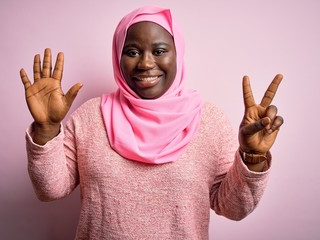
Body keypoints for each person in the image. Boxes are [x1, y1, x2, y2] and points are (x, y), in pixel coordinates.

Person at [20, 5, 284, 239]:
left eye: (159, 51)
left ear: (177, 54)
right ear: (118, 57)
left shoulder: (210, 121)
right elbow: (50, 190)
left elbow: (233, 208)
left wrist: (253, 156)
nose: (146, 63)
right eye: (132, 51)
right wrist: (46, 128)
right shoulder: (90, 116)